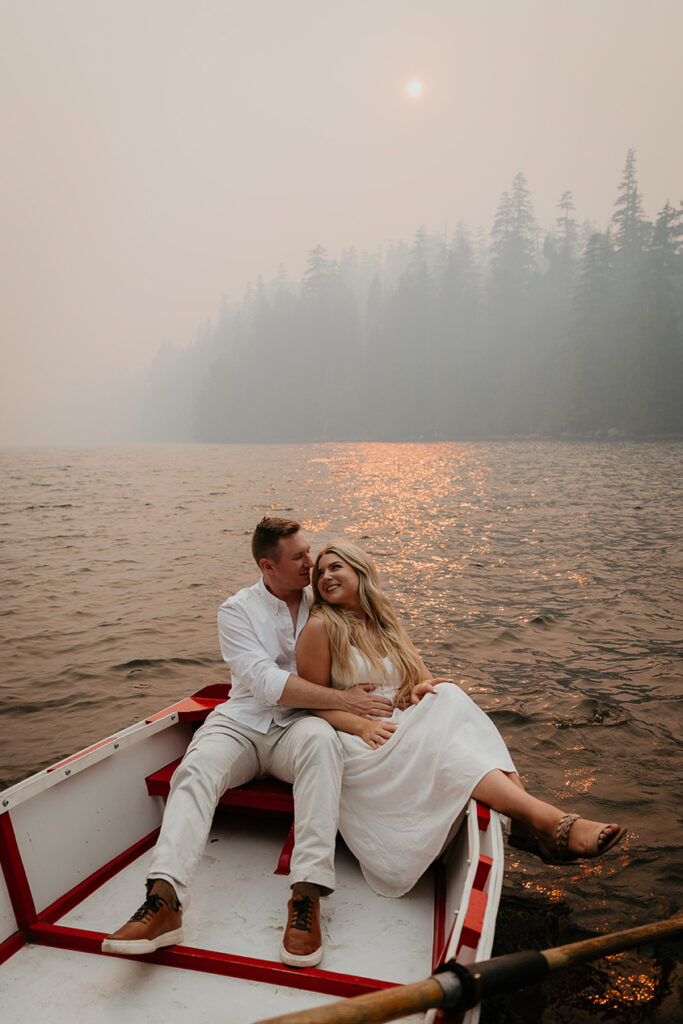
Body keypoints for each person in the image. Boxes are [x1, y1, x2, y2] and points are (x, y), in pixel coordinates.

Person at [102, 517, 394, 967]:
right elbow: (264, 682)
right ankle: (163, 901)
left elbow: (374, 640)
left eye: (309, 551)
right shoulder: (236, 610)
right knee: (195, 768)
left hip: (300, 725)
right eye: (298, 557)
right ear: (267, 565)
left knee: (322, 746)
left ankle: (307, 897)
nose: (311, 563)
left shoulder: (325, 600)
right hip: (242, 722)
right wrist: (344, 700)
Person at [296, 540, 626, 898]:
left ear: (360, 571)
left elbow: (420, 679)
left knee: (445, 694)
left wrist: (416, 691)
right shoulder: (321, 626)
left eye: (335, 567)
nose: (325, 576)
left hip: (400, 724)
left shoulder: (387, 623)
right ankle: (541, 821)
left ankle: (534, 819)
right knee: (449, 718)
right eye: (320, 572)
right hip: (362, 739)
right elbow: (312, 703)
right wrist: (363, 725)